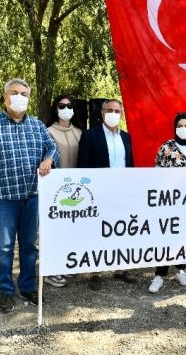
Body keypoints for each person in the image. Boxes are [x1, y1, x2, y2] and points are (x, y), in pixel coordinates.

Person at [0, 79, 58, 313]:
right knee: (4, 246)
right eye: (14, 93)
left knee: (30, 245)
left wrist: (49, 159)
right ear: (5, 97)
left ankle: (27, 287)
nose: (19, 97)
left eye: (24, 94)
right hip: (2, 197)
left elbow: (53, 148)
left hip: (32, 195)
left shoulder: (37, 125)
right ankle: (6, 290)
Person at [77, 99, 135, 290]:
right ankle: (95, 272)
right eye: (109, 110)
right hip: (98, 193)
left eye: (117, 111)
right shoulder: (90, 135)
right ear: (102, 113)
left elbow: (130, 164)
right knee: (98, 231)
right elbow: (83, 166)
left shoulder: (126, 137)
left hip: (122, 193)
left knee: (121, 229)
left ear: (121, 114)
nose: (113, 114)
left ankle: (121, 268)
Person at [148, 113, 186, 293]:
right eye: (180, 125)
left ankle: (181, 270)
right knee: (166, 236)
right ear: (175, 128)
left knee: (185, 235)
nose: (183, 128)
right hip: (169, 201)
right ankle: (159, 275)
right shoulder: (166, 147)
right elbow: (156, 173)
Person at [43, 95, 83, 288]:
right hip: (56, 189)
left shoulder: (79, 132)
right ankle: (52, 270)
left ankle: (67, 263)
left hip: (78, 189)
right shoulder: (47, 132)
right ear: (56, 108)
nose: (66, 109)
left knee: (72, 229)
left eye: (69, 106)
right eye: (62, 105)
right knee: (55, 230)